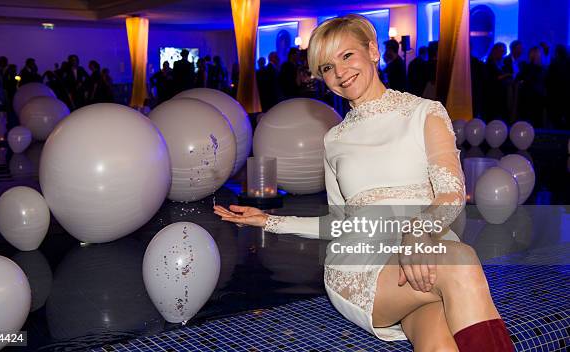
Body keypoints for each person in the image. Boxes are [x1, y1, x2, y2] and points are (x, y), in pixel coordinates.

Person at [214, 14, 513, 352]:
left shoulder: (424, 113)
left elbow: (451, 193)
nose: (339, 72)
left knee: (439, 340)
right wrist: (269, 221)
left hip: (425, 252)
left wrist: (418, 229)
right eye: (327, 67)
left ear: (372, 51)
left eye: (347, 56)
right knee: (461, 263)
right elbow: (340, 224)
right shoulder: (334, 139)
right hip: (362, 267)